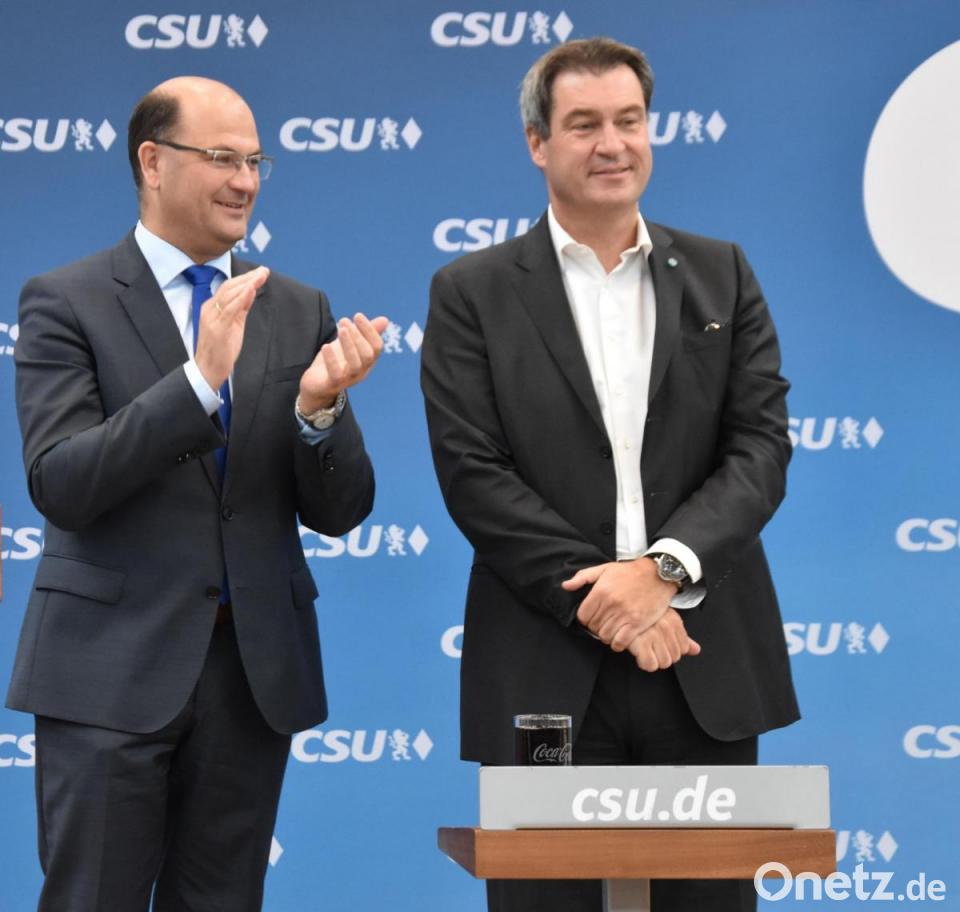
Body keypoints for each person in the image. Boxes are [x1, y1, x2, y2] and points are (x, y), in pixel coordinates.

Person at [421, 38, 799, 912]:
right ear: (537, 142)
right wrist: (612, 603)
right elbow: (474, 472)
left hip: (701, 660)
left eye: (630, 121)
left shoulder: (722, 273)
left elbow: (760, 447)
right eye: (584, 124)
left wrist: (661, 574)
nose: (612, 144)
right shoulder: (472, 291)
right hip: (545, 672)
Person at [7, 76, 387, 911]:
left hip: (250, 677)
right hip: (107, 673)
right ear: (152, 162)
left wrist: (320, 412)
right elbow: (62, 483)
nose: (245, 181)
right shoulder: (64, 301)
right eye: (221, 158)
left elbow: (341, 511)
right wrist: (198, 381)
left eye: (255, 162)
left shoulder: (295, 307)